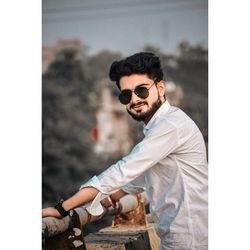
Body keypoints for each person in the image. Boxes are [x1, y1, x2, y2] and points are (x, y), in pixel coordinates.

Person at [42, 52, 208, 250]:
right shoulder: (163, 125)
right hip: (181, 237)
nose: (135, 99)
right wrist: (109, 197)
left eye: (142, 90)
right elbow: (141, 178)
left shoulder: (170, 126)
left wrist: (61, 208)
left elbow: (122, 170)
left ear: (161, 88)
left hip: (191, 240)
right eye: (126, 95)